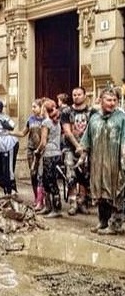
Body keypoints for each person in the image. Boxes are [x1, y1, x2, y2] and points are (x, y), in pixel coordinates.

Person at [78, 87, 125, 235]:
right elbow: (87, 139)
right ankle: (102, 221)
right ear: (100, 100)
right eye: (108, 100)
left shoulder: (121, 118)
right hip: (97, 162)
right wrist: (82, 157)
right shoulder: (94, 118)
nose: (111, 103)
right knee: (99, 191)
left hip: (115, 163)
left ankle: (115, 224)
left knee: (116, 191)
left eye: (114, 100)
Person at [60, 86, 91, 215]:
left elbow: (91, 130)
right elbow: (67, 131)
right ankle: (73, 202)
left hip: (87, 148)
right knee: (70, 173)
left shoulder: (91, 111)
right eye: (74, 95)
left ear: (84, 96)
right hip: (70, 147)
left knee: (84, 175)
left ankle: (82, 202)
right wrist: (77, 146)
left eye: (79, 94)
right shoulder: (67, 111)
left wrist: (84, 148)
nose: (76, 97)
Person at [12, 98, 45, 210]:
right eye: (32, 106)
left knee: (42, 175)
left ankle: (43, 199)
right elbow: (23, 133)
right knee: (33, 174)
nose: (33, 109)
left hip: (42, 150)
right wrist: (12, 133)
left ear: (41, 107)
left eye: (35, 106)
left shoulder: (45, 120)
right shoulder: (30, 119)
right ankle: (36, 198)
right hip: (31, 150)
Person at [34, 99, 62, 217]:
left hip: (48, 154)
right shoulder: (57, 121)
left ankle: (55, 209)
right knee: (51, 180)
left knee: (48, 181)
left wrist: (37, 151)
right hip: (57, 152)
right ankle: (48, 207)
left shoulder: (46, 122)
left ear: (44, 109)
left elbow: (43, 142)